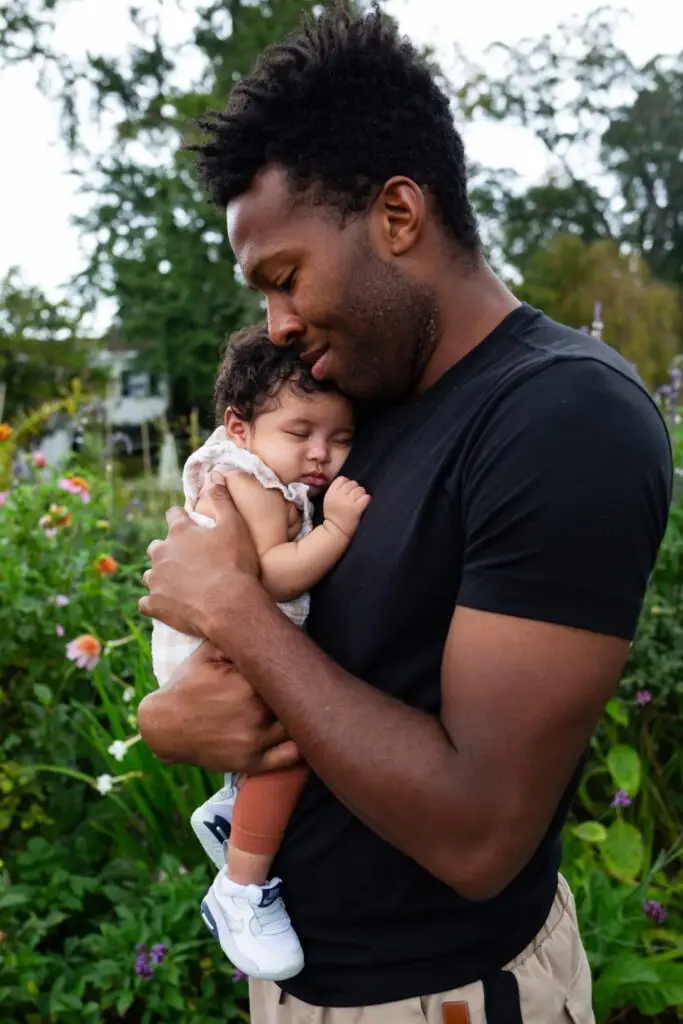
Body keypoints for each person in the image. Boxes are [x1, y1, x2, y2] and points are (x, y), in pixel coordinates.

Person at [137, 5, 673, 1023]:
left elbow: (479, 833)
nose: (276, 325)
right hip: (295, 985)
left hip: (441, 994)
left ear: (395, 214)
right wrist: (167, 719)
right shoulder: (348, 407)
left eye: (284, 278)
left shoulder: (563, 418)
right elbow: (309, 669)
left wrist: (235, 614)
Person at [151, 322, 369, 981]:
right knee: (291, 749)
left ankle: (228, 813)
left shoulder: (249, 464)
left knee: (282, 743)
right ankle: (239, 889)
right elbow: (273, 575)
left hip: (220, 640)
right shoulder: (250, 483)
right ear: (239, 429)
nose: (320, 455)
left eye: (340, 438)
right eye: (299, 433)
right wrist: (334, 529)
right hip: (217, 647)